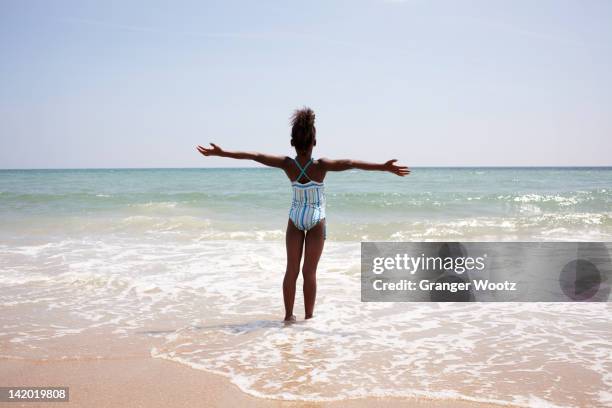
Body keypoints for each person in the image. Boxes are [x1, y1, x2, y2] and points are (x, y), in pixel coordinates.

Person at [196, 107, 409, 322]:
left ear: (292, 143)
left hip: (295, 219)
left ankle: (288, 316)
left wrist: (221, 153)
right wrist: (383, 167)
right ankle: (308, 318)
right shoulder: (321, 165)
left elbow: (256, 156)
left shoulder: (288, 164)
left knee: (291, 271)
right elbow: (351, 163)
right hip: (317, 220)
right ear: (314, 142)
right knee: (309, 273)